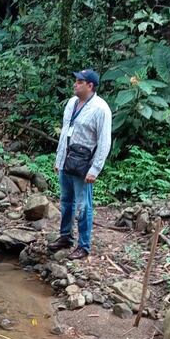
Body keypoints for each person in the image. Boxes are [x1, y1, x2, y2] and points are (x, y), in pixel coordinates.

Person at [48, 68, 112, 260]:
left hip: (84, 164)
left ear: (90, 85)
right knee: (66, 201)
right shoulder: (71, 103)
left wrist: (95, 169)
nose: (75, 84)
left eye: (79, 81)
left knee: (84, 206)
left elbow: (104, 142)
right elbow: (65, 132)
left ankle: (84, 246)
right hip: (68, 160)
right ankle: (65, 236)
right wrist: (59, 159)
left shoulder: (101, 109)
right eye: (76, 81)